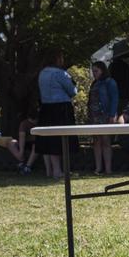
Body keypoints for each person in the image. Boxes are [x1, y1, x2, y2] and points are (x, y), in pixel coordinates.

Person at [36, 50, 76, 179]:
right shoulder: (60, 73)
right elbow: (72, 91)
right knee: (63, 139)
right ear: (57, 59)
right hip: (61, 108)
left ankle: (55, 170)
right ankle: (61, 170)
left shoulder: (42, 73)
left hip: (46, 108)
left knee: (51, 139)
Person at [88, 61, 119, 175]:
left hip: (105, 115)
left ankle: (108, 169)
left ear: (102, 70)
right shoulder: (94, 83)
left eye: (96, 71)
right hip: (94, 116)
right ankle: (98, 168)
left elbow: (114, 99)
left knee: (106, 141)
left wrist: (112, 115)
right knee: (96, 141)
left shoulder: (110, 82)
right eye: (93, 71)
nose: (94, 73)